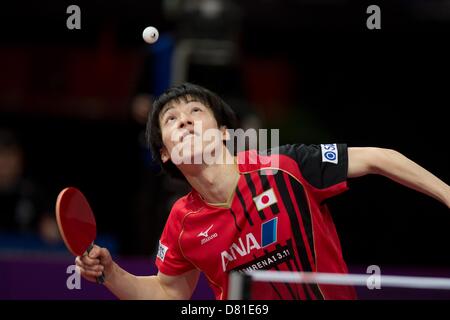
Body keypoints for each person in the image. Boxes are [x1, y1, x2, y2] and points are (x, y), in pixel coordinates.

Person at [76, 83, 450, 300]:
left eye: (194, 111)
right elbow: (169, 293)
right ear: (166, 153)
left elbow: (380, 158)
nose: (184, 120)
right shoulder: (182, 221)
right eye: (171, 120)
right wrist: (111, 273)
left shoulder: (284, 168)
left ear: (224, 132)